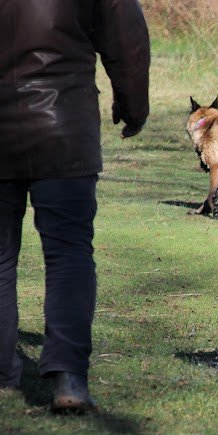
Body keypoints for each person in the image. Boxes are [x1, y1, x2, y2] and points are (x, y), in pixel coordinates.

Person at [0, 0, 150, 412]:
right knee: (68, 255)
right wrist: (133, 106)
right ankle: (69, 379)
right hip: (63, 126)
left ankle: (2, 375)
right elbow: (126, 36)